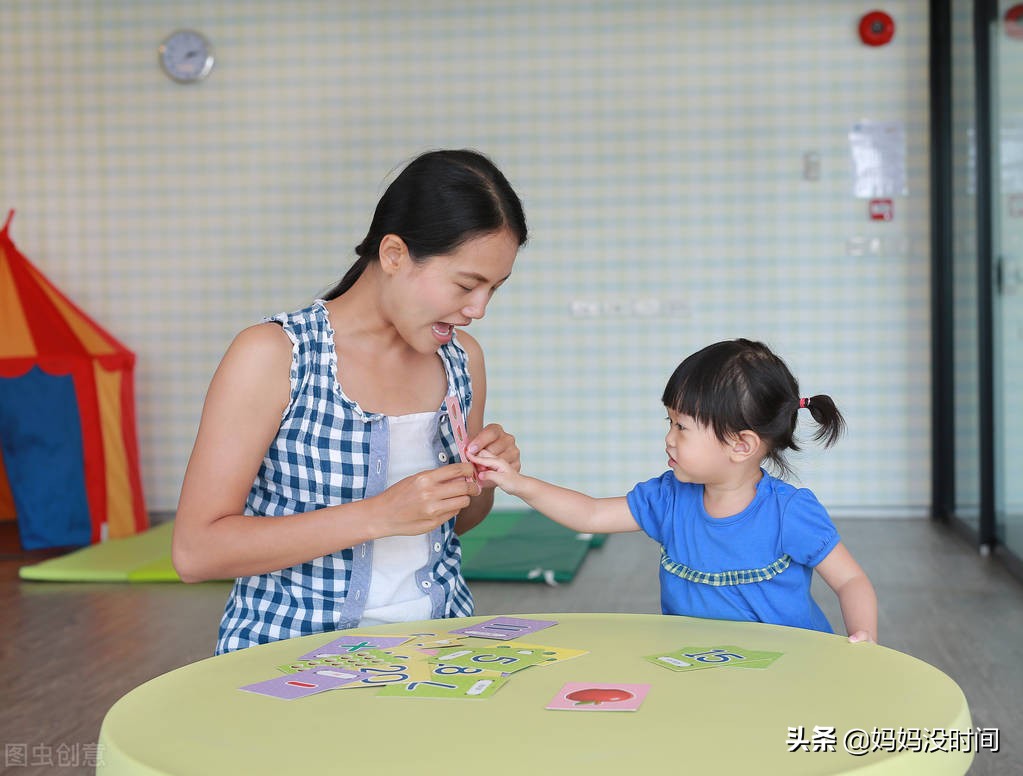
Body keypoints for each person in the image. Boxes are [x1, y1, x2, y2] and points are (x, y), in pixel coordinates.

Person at [172, 149, 528, 654]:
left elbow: (456, 523)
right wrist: (379, 514)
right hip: (289, 662)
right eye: (466, 284)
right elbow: (196, 552)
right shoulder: (276, 355)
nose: (479, 309)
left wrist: (484, 482)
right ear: (394, 255)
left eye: (494, 288)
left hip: (440, 655)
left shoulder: (462, 360)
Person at [470, 338, 878, 643]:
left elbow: (850, 581)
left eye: (681, 427)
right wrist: (517, 483)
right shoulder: (668, 499)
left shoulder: (789, 513)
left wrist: (864, 639)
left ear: (742, 445)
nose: (669, 438)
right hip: (694, 666)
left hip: (788, 669)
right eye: (669, 422)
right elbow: (591, 514)